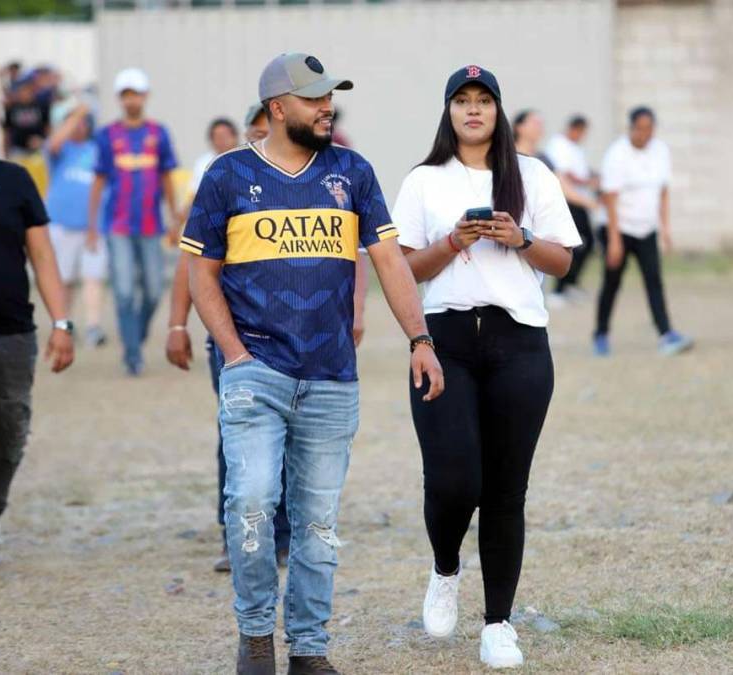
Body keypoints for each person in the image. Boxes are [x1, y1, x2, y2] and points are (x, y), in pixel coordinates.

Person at [183, 53, 443, 675]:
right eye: (314, 98)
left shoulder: (352, 172)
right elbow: (200, 272)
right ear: (278, 108)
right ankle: (254, 637)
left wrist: (420, 339)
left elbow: (388, 262)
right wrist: (236, 354)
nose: (328, 108)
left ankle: (308, 649)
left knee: (319, 524)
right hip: (257, 374)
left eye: (330, 98)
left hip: (330, 381)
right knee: (249, 501)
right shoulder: (227, 176)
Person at [393, 65, 581, 669]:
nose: (473, 111)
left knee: (505, 492)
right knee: (454, 480)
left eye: (484, 101)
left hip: (519, 342)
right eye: (462, 101)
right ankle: (445, 567)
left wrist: (518, 236)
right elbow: (402, 272)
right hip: (445, 338)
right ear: (448, 112)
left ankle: (498, 623)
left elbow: (562, 263)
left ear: (499, 111)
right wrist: (453, 241)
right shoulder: (423, 180)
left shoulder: (531, 174)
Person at [167, 111, 294, 575]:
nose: (266, 139)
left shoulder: (304, 184)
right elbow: (193, 263)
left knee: (291, 439)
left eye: (271, 131)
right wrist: (177, 324)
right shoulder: (223, 181)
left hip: (296, 340)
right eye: (258, 132)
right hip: (233, 339)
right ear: (248, 135)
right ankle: (236, 537)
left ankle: (284, 535)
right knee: (237, 437)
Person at [0, 92, 74, 587]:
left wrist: (62, 323)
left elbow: (44, 258)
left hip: (12, 336)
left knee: (9, 440)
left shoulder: (14, 180)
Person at [88, 67, 180, 376]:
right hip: (118, 226)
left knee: (154, 290)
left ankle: (135, 337)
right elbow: (99, 182)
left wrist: (174, 218)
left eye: (136, 93)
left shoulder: (159, 132)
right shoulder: (107, 135)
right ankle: (132, 353)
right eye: (126, 94)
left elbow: (167, 176)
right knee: (124, 291)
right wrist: (91, 226)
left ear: (145, 96)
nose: (131, 100)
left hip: (152, 225)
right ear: (119, 98)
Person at [594, 106, 693, 356]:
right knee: (612, 282)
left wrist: (665, 227)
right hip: (619, 228)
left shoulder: (660, 151)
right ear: (631, 128)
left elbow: (663, 192)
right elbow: (610, 197)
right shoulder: (617, 154)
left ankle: (666, 334)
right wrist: (614, 241)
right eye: (640, 128)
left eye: (649, 129)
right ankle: (601, 334)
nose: (644, 134)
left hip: (646, 229)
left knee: (654, 280)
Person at [45, 98, 109, 348]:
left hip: (93, 225)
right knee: (64, 278)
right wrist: (77, 112)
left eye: (84, 122)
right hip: (61, 223)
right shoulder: (60, 150)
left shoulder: (96, 149)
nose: (80, 126)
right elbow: (54, 143)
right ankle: (63, 323)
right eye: (75, 122)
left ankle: (93, 325)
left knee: (93, 277)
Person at [543, 115, 597, 305]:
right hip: (566, 201)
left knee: (587, 242)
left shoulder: (576, 148)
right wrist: (586, 181)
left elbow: (581, 171)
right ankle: (558, 289)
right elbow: (565, 174)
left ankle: (570, 284)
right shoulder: (558, 145)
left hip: (579, 201)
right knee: (568, 244)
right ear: (574, 128)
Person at [2, 74, 49, 159]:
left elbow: (47, 128)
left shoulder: (41, 106)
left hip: (37, 150)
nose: (25, 93)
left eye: (28, 90)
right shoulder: (12, 108)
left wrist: (43, 141)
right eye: (22, 90)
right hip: (18, 150)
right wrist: (6, 152)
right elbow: (7, 131)